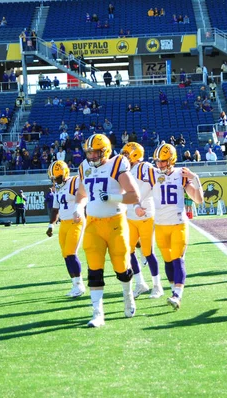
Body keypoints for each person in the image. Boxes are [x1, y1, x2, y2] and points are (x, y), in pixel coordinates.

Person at [72, 134, 140, 328]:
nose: (91, 156)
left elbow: (134, 195)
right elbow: (81, 193)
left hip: (115, 222)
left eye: (95, 152)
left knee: (121, 266)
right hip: (93, 224)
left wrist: (112, 197)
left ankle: (128, 296)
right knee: (94, 269)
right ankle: (98, 313)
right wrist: (78, 207)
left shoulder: (117, 164)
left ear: (105, 151)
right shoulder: (85, 168)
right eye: (89, 152)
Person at [140, 144, 204, 310]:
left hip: (178, 224)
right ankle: (173, 291)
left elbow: (198, 200)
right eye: (158, 162)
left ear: (171, 160)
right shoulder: (153, 175)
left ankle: (177, 294)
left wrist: (195, 179)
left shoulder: (181, 174)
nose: (160, 165)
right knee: (168, 261)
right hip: (161, 225)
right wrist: (136, 206)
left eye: (163, 161)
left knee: (178, 259)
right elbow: (141, 195)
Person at [120, 142, 163, 299]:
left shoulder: (145, 167)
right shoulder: (126, 170)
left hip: (145, 214)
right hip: (130, 215)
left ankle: (157, 286)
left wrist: (142, 201)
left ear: (135, 154)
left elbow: (157, 182)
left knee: (148, 252)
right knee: (129, 251)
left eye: (126, 154)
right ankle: (140, 283)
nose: (124, 157)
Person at [46, 161, 86, 297]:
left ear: (65, 174)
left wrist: (79, 210)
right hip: (64, 223)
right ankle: (75, 284)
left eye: (56, 177)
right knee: (65, 255)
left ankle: (80, 285)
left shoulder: (75, 182)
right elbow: (55, 208)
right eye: (53, 178)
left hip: (76, 222)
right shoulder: (58, 188)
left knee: (70, 252)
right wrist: (51, 224)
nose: (55, 181)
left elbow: (84, 197)